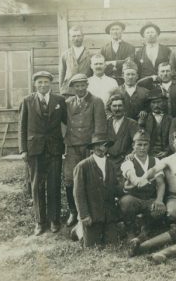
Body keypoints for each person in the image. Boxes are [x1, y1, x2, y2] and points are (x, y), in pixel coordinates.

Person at [18, 71, 67, 235]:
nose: (43, 85)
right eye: (40, 82)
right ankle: (40, 221)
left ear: (51, 84)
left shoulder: (60, 101)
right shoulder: (27, 101)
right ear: (35, 84)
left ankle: (54, 220)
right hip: (35, 149)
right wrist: (23, 149)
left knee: (54, 184)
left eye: (46, 82)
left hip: (54, 148)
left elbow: (68, 122)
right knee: (37, 184)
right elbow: (22, 127)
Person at [64, 73, 107, 228]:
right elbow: (64, 124)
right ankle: (73, 212)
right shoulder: (68, 103)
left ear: (87, 86)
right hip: (72, 146)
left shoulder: (96, 101)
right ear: (73, 87)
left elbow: (100, 127)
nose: (80, 88)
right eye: (77, 86)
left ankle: (92, 212)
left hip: (89, 146)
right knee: (69, 179)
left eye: (83, 85)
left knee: (91, 178)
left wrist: (95, 148)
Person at [71, 134, 123, 247]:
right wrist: (84, 215)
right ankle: (79, 230)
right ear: (92, 148)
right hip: (92, 215)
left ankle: (103, 229)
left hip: (108, 214)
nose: (101, 148)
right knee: (92, 245)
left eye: (105, 145)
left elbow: (114, 187)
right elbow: (78, 193)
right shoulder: (82, 166)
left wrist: (125, 187)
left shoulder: (111, 165)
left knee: (113, 243)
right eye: (98, 145)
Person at [120, 132, 166, 239]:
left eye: (145, 145)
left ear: (149, 146)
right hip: (134, 199)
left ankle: (146, 228)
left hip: (150, 198)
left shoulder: (155, 161)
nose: (142, 148)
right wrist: (142, 180)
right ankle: (130, 230)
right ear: (133, 146)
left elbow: (160, 183)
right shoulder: (128, 162)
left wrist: (159, 200)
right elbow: (134, 179)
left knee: (159, 209)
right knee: (126, 202)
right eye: (139, 144)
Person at [105, 94, 139, 177]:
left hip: (125, 161)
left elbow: (138, 141)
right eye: (114, 106)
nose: (117, 109)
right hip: (108, 161)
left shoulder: (132, 123)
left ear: (124, 107)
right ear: (110, 107)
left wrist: (132, 153)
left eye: (120, 106)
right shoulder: (106, 123)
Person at [59, 27, 92, 96]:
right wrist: (61, 89)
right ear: (70, 38)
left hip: (85, 89)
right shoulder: (65, 54)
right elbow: (62, 73)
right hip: (69, 90)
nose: (76, 38)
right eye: (73, 36)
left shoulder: (90, 54)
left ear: (83, 37)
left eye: (78, 36)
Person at [141, 88, 172, 158]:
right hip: (148, 154)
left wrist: (166, 151)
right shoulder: (145, 118)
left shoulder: (170, 119)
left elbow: (173, 138)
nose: (156, 105)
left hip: (166, 154)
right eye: (153, 103)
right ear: (149, 104)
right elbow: (141, 138)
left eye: (159, 102)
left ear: (164, 103)